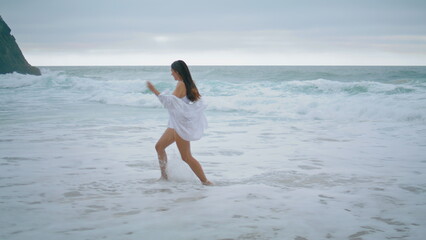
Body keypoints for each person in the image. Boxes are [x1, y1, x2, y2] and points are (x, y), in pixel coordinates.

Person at [146, 60, 212, 185]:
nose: (171, 74)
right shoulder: (188, 84)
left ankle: (206, 181)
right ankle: (164, 178)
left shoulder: (181, 84)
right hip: (176, 124)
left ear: (177, 72)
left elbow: (170, 102)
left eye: (172, 71)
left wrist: (154, 90)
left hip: (180, 125)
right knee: (159, 147)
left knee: (186, 157)